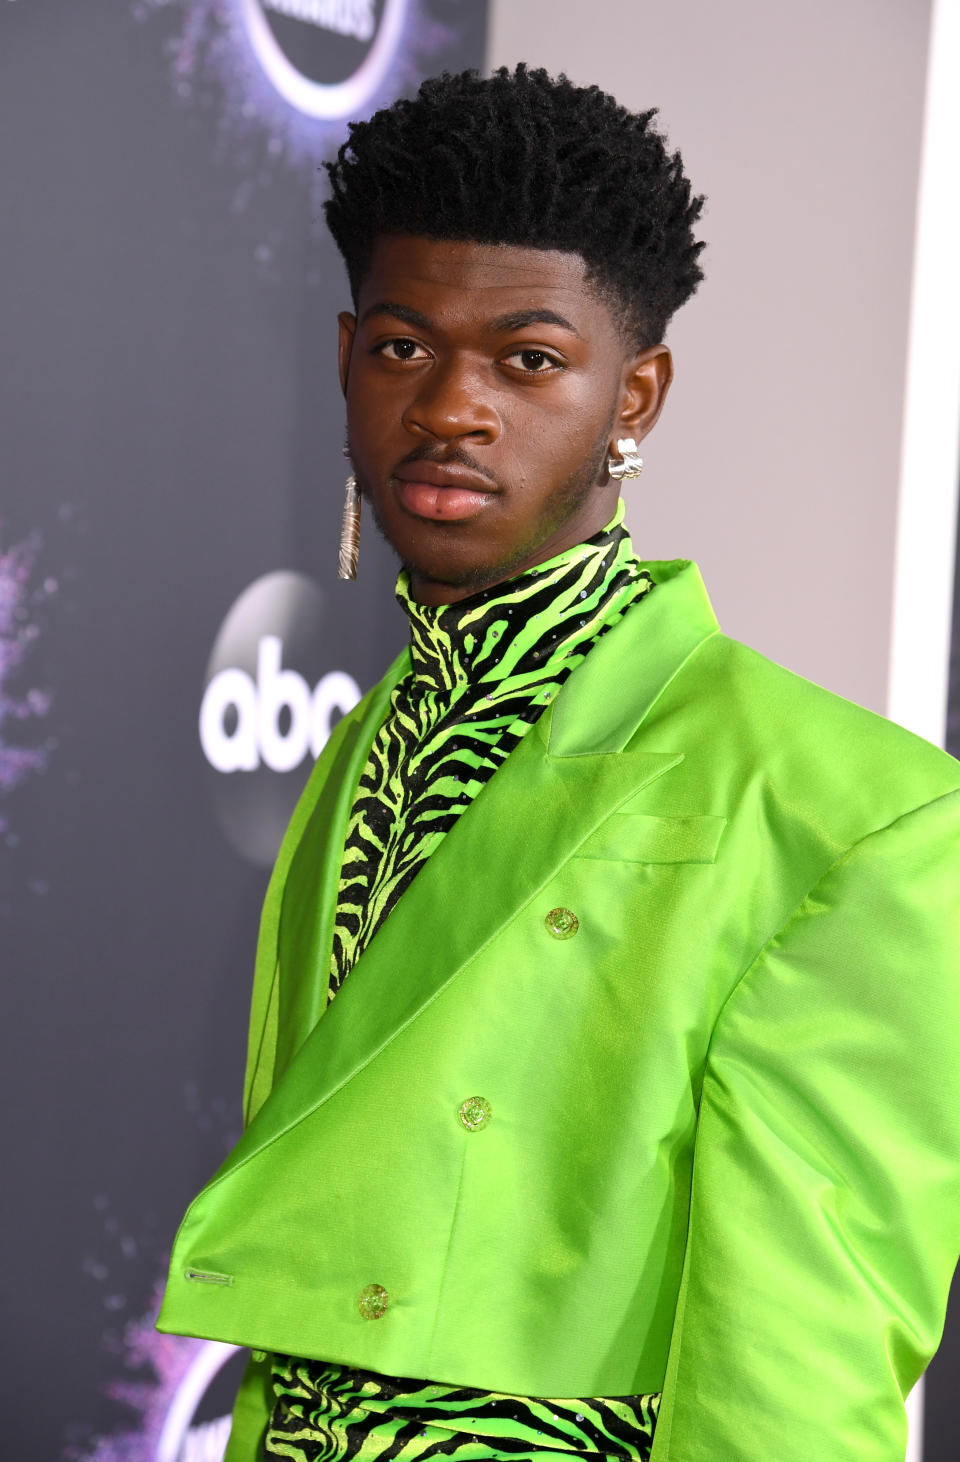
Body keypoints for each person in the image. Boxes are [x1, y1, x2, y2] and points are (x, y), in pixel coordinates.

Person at [158, 65, 960, 1462]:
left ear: (633, 394)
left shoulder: (849, 811)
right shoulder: (368, 744)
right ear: (346, 358)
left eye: (527, 359)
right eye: (405, 348)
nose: (452, 407)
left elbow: (799, 1369)